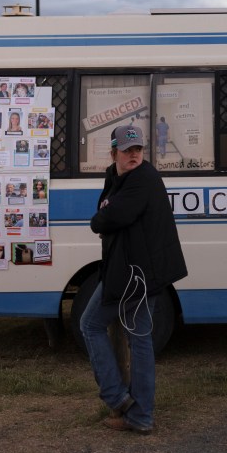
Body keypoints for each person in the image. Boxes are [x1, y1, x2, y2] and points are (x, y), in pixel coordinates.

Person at [82, 124, 187, 435]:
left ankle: (119, 398)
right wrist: (106, 212)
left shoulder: (142, 179)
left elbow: (106, 218)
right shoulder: (119, 177)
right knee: (137, 339)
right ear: (114, 151)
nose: (134, 154)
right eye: (127, 150)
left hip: (136, 276)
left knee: (92, 325)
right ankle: (138, 414)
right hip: (132, 273)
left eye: (138, 149)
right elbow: (107, 212)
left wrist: (103, 217)